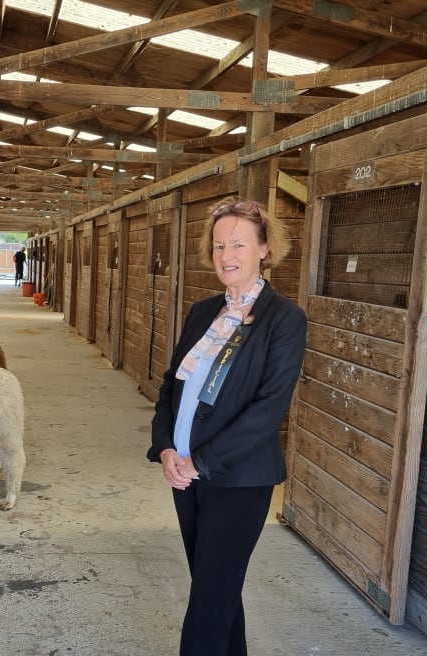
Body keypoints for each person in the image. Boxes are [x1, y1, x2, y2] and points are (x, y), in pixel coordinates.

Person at [147, 197, 307, 655]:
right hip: (183, 475)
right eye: (218, 246)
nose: (226, 255)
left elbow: (267, 408)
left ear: (264, 249)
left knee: (207, 602)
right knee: (216, 588)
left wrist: (201, 461)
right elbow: (170, 387)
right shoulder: (203, 312)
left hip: (237, 480)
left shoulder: (284, 320)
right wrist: (166, 449)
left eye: (238, 244)